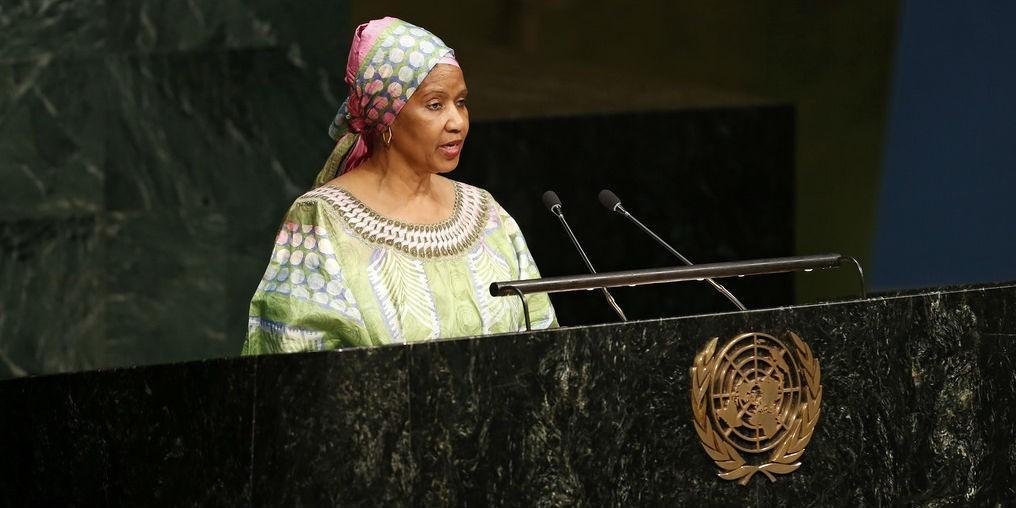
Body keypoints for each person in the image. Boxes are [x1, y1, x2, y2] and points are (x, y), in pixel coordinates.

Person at [242, 17, 557, 354]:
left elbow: (543, 340)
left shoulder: (486, 213)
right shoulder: (322, 218)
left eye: (461, 102)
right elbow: (291, 367)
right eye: (436, 105)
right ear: (386, 115)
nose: (457, 121)